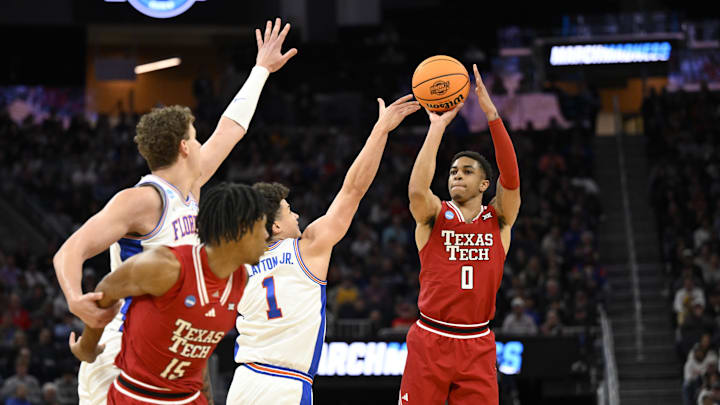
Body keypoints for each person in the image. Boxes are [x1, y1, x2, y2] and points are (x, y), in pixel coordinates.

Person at [52, 18, 296, 405]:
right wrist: (73, 297)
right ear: (184, 146)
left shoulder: (191, 187)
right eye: (197, 137)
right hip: (123, 354)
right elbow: (70, 250)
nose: (203, 142)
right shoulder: (143, 200)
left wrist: (260, 71)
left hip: (172, 348)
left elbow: (231, 129)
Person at [226, 95, 420, 404]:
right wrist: (380, 130)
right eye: (289, 211)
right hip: (284, 383)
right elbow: (353, 190)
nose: (298, 215)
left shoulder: (238, 266)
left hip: (243, 382)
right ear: (275, 227)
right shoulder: (307, 248)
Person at [69, 183, 268, 405]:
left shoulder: (239, 279)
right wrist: (87, 347)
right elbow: (106, 289)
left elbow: (196, 348)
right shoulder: (167, 266)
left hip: (189, 397)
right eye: (262, 227)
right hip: (139, 395)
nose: (267, 236)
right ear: (241, 230)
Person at [400, 64, 521, 404]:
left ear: (485, 184)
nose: (456, 176)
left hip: (477, 342)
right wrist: (436, 127)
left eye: (467, 171)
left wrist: (492, 116)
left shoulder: (498, 220)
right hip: (430, 338)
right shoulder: (434, 216)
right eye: (453, 171)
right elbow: (416, 189)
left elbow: (511, 179)